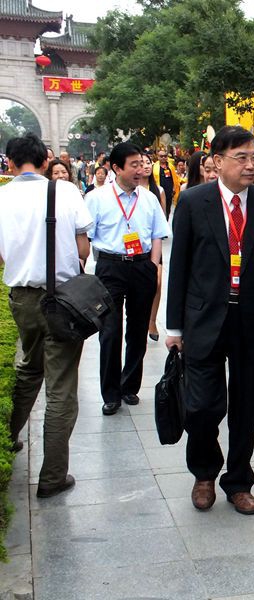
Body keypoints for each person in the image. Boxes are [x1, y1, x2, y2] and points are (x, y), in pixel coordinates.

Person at [166, 126, 254, 515]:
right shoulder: (193, 202)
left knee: (246, 407)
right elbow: (179, 266)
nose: (251, 165)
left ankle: (238, 482)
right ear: (217, 162)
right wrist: (174, 327)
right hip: (203, 320)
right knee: (202, 407)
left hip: (252, 320)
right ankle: (204, 474)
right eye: (242, 157)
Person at [0, 133, 93, 497]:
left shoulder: (2, 196)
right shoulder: (65, 191)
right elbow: (83, 247)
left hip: (23, 299)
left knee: (30, 368)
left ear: (9, 163)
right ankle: (53, 476)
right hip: (64, 301)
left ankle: (8, 438)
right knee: (61, 388)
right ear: (43, 162)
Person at [85, 143, 170, 416]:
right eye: (134, 165)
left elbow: (157, 234)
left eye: (142, 164)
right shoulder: (97, 198)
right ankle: (110, 393)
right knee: (109, 331)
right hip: (110, 267)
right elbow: (86, 237)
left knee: (137, 329)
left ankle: (129, 386)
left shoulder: (149, 198)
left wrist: (153, 265)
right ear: (116, 168)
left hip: (142, 265)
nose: (140, 169)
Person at [141, 154, 169, 342]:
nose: (145, 166)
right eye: (141, 163)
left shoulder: (158, 190)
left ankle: (152, 321)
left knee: (157, 282)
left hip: (154, 242)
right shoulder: (132, 189)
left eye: (148, 163)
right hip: (136, 244)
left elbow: (163, 217)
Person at [153, 149, 180, 220]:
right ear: (158, 157)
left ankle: (166, 220)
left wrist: (174, 188)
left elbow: (175, 179)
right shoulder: (154, 167)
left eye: (165, 156)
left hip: (169, 192)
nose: (163, 158)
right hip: (158, 192)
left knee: (167, 210)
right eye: (161, 156)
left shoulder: (171, 167)